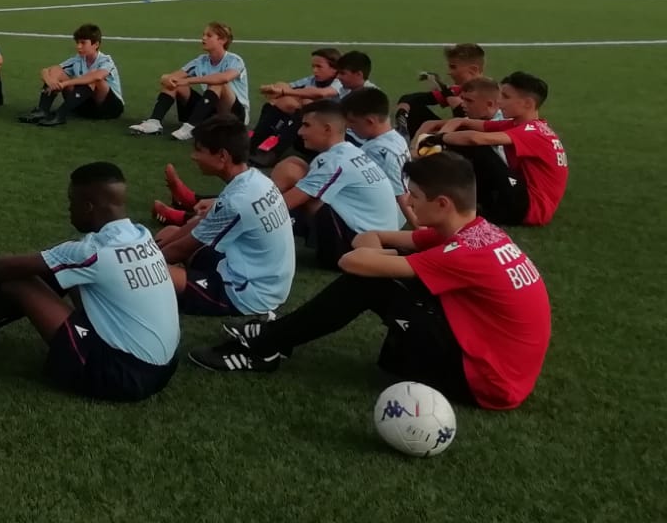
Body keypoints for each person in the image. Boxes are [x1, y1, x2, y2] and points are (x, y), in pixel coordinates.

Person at [190, 151, 551, 412]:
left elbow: (354, 258)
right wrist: (392, 256)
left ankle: (267, 347)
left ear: (442, 203)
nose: (407, 201)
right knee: (385, 277)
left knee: (370, 282)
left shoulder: (464, 251)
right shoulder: (477, 232)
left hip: (486, 382)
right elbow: (377, 237)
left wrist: (384, 257)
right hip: (499, 368)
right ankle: (274, 339)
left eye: (415, 196)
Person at [0, 162, 179, 402]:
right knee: (65, 274)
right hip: (162, 369)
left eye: (71, 202)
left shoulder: (93, 252)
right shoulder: (141, 236)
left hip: (120, 376)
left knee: (20, 280)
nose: (68, 208)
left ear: (88, 206)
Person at [151, 119, 294, 320]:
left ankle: (259, 314)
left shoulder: (238, 201)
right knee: (169, 233)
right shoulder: (256, 179)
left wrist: (145, 263)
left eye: (199, 150)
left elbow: (183, 248)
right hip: (256, 273)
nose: (194, 156)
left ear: (222, 156)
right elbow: (196, 227)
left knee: (155, 275)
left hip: (248, 291)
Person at [419, 72, 566, 226]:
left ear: (528, 103)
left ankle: (443, 193)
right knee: (469, 144)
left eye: (506, 97)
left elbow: (475, 138)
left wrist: (437, 139)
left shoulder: (533, 131)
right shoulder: (519, 125)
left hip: (529, 209)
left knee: (478, 147)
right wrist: (447, 128)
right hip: (521, 199)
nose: (500, 103)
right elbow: (471, 124)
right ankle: (465, 202)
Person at [270, 101, 403, 266]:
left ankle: (259, 233)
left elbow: (287, 202)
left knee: (290, 172)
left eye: (306, 125)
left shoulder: (336, 161)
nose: (300, 131)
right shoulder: (350, 152)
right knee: (295, 164)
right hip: (376, 239)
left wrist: (256, 213)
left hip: (358, 250)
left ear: (327, 129)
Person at [128, 22, 247, 141]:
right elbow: (173, 77)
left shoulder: (234, 60)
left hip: (234, 115)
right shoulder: (201, 61)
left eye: (209, 35)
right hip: (210, 110)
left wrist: (188, 81)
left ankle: (191, 127)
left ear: (223, 40)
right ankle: (154, 122)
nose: (203, 38)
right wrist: (166, 78)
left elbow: (224, 78)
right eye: (203, 34)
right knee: (175, 84)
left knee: (217, 84)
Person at [247, 47, 345, 162]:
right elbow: (285, 87)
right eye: (313, 66)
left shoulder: (340, 82)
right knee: (279, 103)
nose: (315, 70)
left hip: (328, 137)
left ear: (334, 69)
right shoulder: (312, 80)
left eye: (319, 67)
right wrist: (274, 89)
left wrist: (285, 93)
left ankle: (273, 153)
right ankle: (251, 146)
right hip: (308, 134)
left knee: (303, 107)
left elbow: (321, 94)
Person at [21, 24, 124, 127]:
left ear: (96, 44)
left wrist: (65, 84)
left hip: (109, 109)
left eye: (83, 43)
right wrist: (50, 80)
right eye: (77, 42)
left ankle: (60, 115)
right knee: (56, 72)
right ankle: (42, 110)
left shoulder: (106, 60)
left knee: (93, 79)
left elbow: (97, 77)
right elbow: (48, 70)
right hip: (85, 107)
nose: (78, 46)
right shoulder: (78, 59)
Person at [396, 42, 486, 135]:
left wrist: (444, 89)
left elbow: (465, 119)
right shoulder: (457, 90)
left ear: (473, 70)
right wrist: (402, 116)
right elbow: (411, 99)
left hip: (475, 143)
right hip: (455, 137)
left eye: (453, 67)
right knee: (413, 107)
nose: (449, 72)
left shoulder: (488, 92)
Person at [343, 85, 408, 185]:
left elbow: (399, 196)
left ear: (370, 121)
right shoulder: (397, 138)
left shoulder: (376, 151)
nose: (348, 127)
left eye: (352, 121)